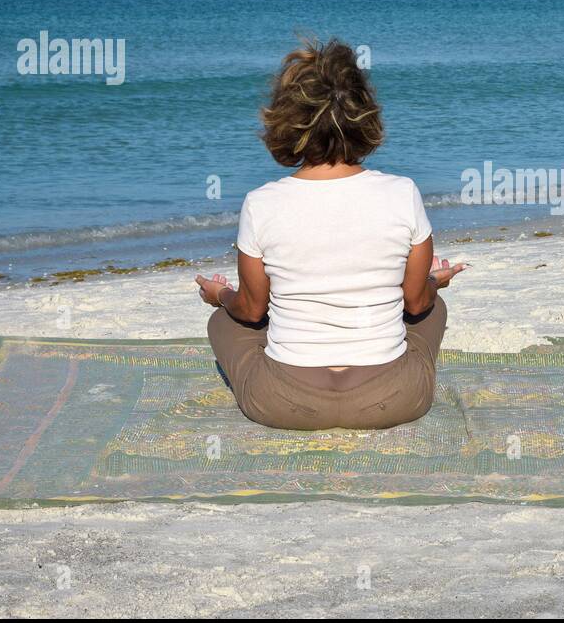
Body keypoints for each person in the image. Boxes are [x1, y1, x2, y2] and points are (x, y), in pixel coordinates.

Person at [195, 38, 465, 430]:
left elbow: (253, 309)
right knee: (433, 307)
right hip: (393, 399)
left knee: (224, 322)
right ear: (365, 116)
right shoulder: (402, 192)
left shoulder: (261, 202)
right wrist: (432, 282)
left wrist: (218, 295)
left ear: (284, 121)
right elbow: (416, 302)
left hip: (284, 403)